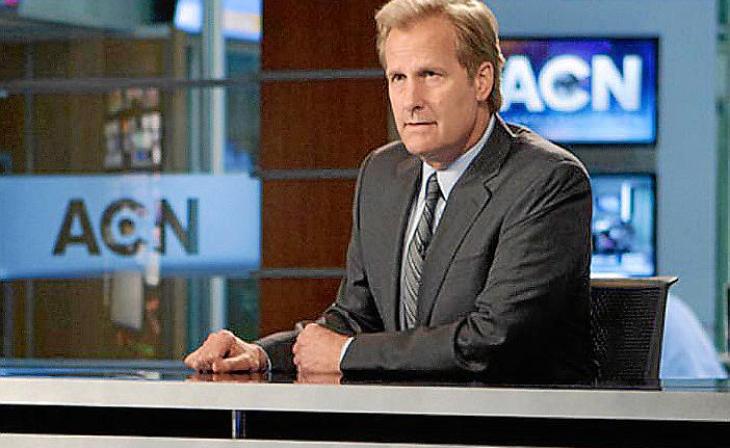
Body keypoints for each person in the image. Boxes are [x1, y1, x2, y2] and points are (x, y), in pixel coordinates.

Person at [185, 0, 595, 382]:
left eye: (430, 75)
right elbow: (354, 319)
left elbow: (492, 341)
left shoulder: (546, 180)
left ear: (481, 80)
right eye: (398, 78)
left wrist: (346, 354)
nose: (411, 100)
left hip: (510, 429)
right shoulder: (383, 173)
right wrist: (261, 355)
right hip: (397, 422)